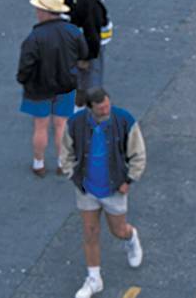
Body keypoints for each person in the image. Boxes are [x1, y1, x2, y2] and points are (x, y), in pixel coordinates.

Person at [60, 87, 146, 298]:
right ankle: (94, 279)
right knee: (90, 232)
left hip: (114, 188)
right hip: (87, 188)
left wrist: (129, 180)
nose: (107, 110)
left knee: (118, 231)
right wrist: (72, 174)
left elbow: (138, 153)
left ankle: (131, 236)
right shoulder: (76, 123)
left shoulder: (124, 120)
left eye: (108, 105)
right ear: (90, 109)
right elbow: (66, 152)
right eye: (101, 108)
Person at [19, 0, 86, 177]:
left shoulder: (35, 36)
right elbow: (83, 53)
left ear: (45, 12)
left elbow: (25, 65)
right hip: (66, 86)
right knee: (61, 125)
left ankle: (38, 163)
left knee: (40, 126)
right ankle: (62, 163)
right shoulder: (73, 31)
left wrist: (24, 80)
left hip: (39, 88)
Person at [61, 0, 109, 93]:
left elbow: (92, 31)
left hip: (90, 52)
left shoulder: (89, 0)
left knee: (90, 89)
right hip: (81, 47)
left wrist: (87, 58)